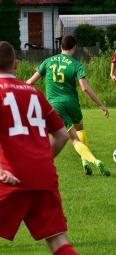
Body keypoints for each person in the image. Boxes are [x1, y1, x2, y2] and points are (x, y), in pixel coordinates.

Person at [0, 41, 78, 254]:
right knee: (58, 242)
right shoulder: (34, 93)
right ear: (16, 65)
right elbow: (62, 135)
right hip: (43, 176)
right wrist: (40, 161)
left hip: (10, 176)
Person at [27, 35, 111, 177]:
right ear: (74, 47)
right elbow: (85, 88)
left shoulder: (48, 61)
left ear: (61, 47)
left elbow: (30, 83)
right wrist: (101, 105)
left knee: (73, 139)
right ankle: (84, 161)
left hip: (55, 105)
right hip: (72, 103)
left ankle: (93, 161)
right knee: (79, 129)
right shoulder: (76, 64)